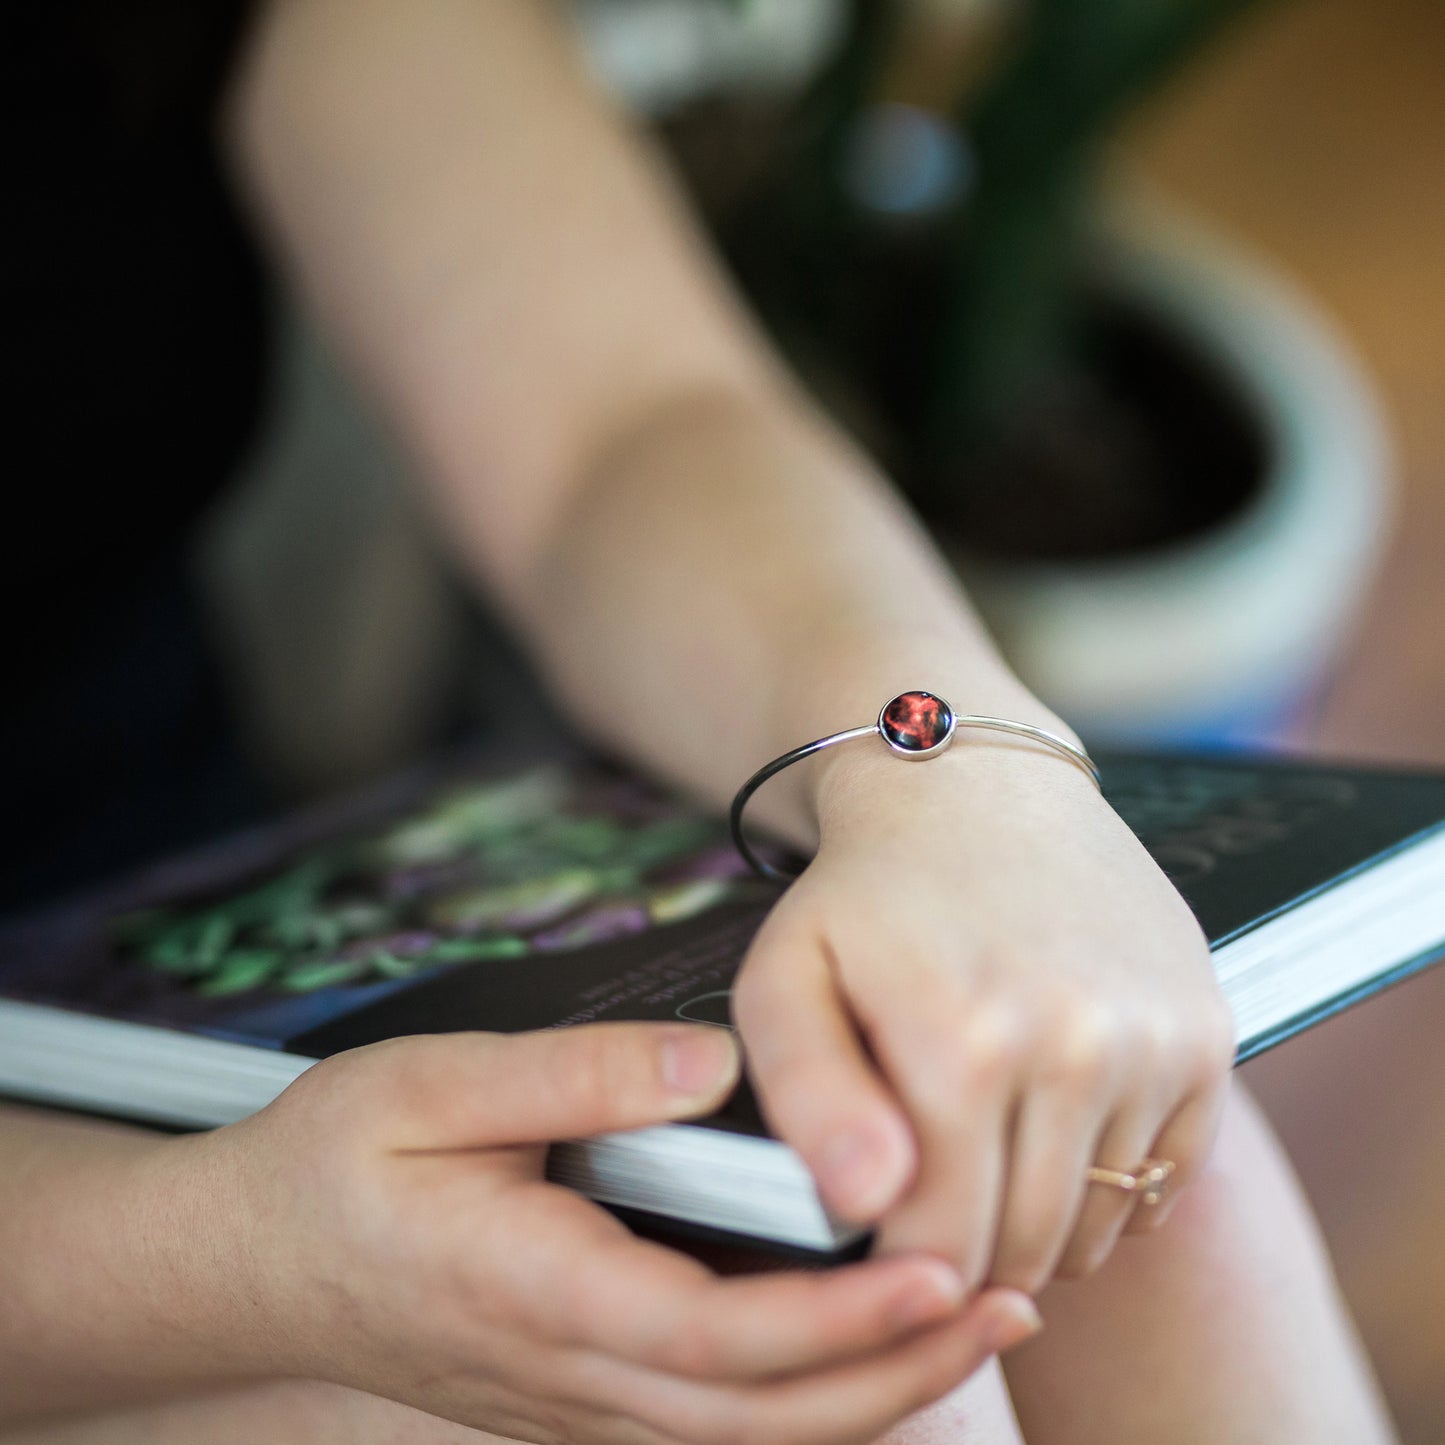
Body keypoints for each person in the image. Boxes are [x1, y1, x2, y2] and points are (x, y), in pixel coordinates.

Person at [0, 3, 1400, 1442]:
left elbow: (620, 419)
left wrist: (964, 785)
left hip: (180, 913)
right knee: (845, 1396)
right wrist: (228, 1255)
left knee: (1135, 1169)